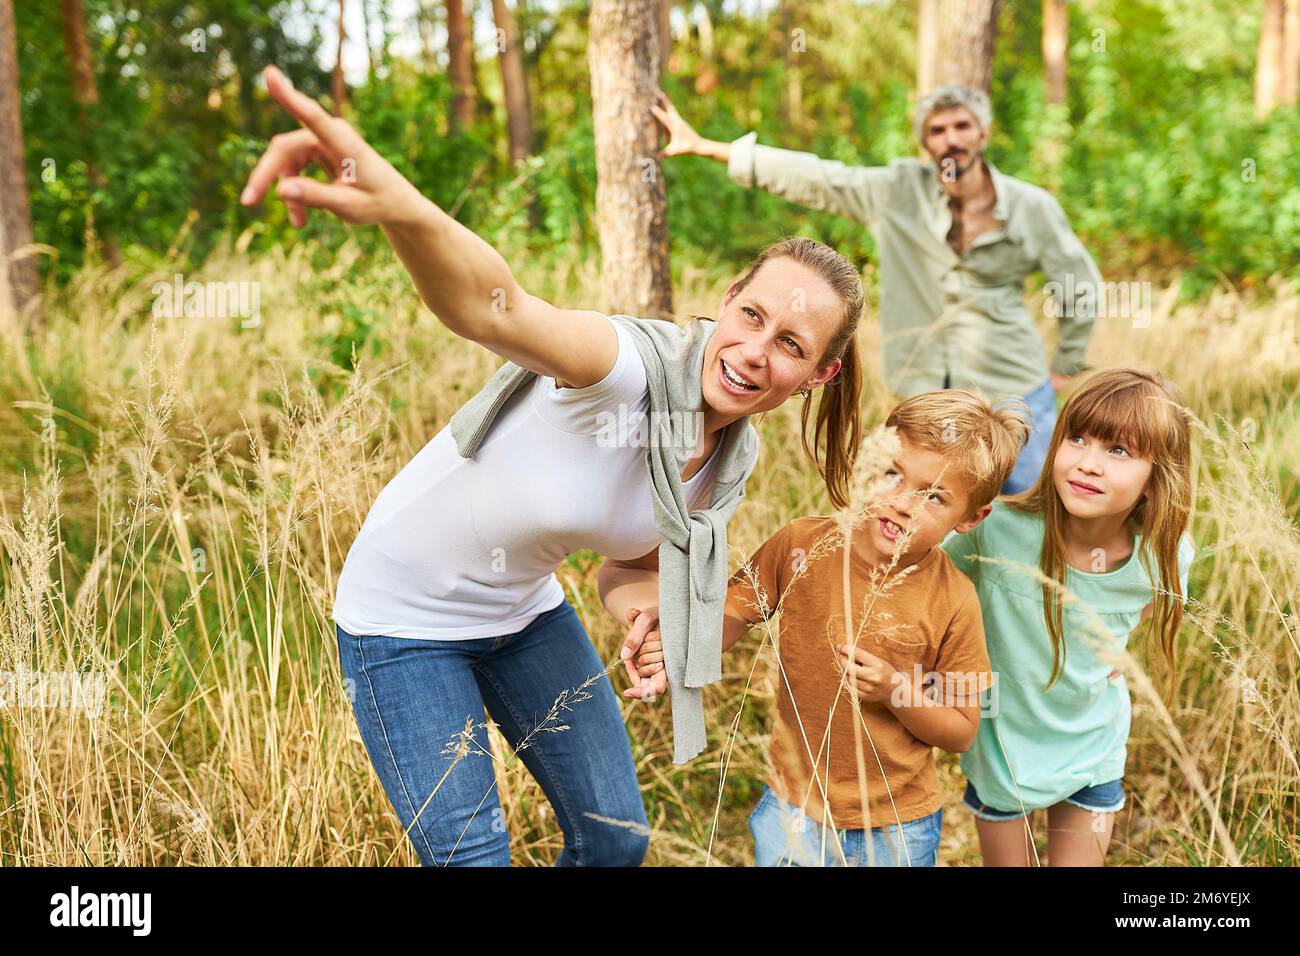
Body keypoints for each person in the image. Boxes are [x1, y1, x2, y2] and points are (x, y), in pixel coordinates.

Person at [238, 66, 865, 866]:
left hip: (522, 613)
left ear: (820, 375)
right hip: (403, 619)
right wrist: (400, 203)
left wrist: (641, 611)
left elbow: (630, 558)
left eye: (791, 345)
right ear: (729, 293)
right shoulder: (624, 370)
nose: (754, 351)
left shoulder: (732, 454)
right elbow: (489, 303)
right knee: (473, 857)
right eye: (752, 315)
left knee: (616, 841)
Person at [623, 390, 1029, 866]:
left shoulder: (955, 599)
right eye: (893, 474)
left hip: (899, 823)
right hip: (795, 807)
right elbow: (732, 614)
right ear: (870, 460)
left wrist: (895, 690)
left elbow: (961, 731)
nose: (902, 504)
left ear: (972, 518)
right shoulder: (803, 545)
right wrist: (676, 651)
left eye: (935, 496)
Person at [653, 83, 1104, 493]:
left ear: (982, 134)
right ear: (925, 142)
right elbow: (821, 179)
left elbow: (1078, 281)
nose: (951, 138)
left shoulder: (1031, 207)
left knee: (1025, 505)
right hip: (925, 389)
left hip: (1013, 386)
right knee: (933, 506)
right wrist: (711, 149)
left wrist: (1066, 363)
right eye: (937, 129)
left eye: (962, 126)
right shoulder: (897, 190)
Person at [940, 368, 1196, 866]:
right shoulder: (999, 530)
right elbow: (928, 583)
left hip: (1092, 747)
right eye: (1076, 439)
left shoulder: (1163, 556)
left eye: (1118, 451)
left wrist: (1108, 650)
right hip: (1003, 749)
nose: (1088, 464)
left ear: (1154, 481)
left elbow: (1142, 608)